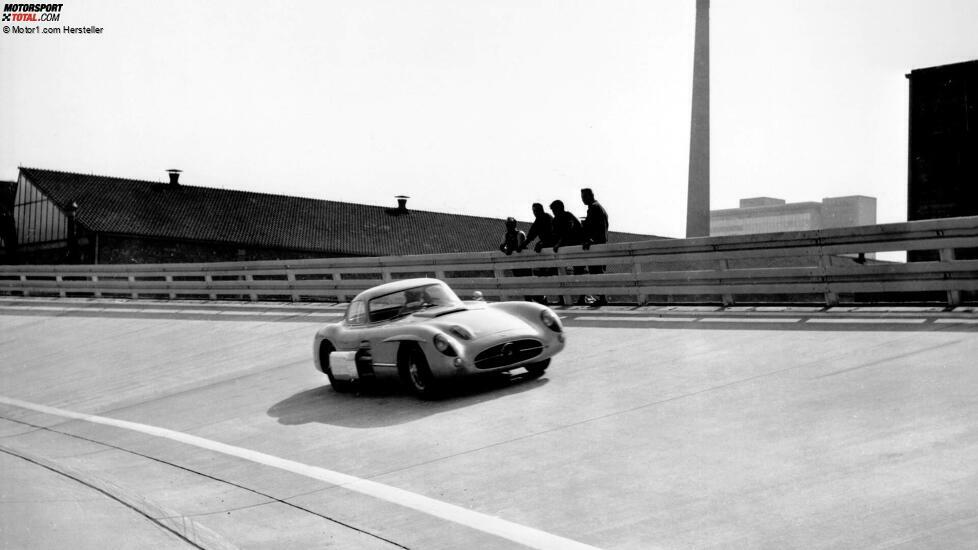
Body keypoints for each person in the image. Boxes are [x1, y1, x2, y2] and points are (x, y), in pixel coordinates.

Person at [518, 203, 557, 303]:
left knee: (556, 273)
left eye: (536, 211)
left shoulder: (548, 218)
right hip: (546, 251)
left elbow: (553, 235)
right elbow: (531, 236)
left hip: (554, 249)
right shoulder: (538, 221)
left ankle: (561, 298)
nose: (535, 213)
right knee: (542, 274)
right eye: (534, 211)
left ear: (541, 210)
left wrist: (542, 243)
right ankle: (542, 298)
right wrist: (521, 247)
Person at [581, 188, 609, 306]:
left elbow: (596, 227)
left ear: (590, 196)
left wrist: (591, 240)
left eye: (584, 196)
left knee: (596, 272)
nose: (583, 199)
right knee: (598, 272)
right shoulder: (599, 207)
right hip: (601, 243)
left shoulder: (593, 208)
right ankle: (602, 297)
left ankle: (602, 298)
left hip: (596, 245)